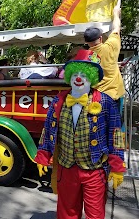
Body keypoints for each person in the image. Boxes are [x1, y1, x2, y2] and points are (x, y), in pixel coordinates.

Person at [35, 49, 125, 219]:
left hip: (94, 169)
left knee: (95, 214)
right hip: (66, 168)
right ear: (69, 76)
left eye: (84, 74)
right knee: (67, 212)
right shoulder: (58, 100)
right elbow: (48, 130)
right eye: (75, 73)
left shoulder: (105, 101)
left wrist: (117, 165)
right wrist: (43, 154)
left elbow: (116, 135)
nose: (78, 78)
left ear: (91, 78)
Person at [83, 6, 124, 100]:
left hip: (95, 96)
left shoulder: (84, 57)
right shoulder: (111, 46)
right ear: (100, 38)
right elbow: (116, 28)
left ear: (86, 42)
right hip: (113, 94)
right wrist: (116, 14)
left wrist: (115, 65)